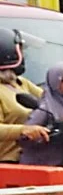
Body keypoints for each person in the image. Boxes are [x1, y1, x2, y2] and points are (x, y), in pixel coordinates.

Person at [0, 29, 49, 163]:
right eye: (20, 50)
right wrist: (24, 130)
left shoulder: (21, 83)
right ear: (7, 53)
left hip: (33, 155)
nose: (24, 55)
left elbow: (51, 98)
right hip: (8, 162)